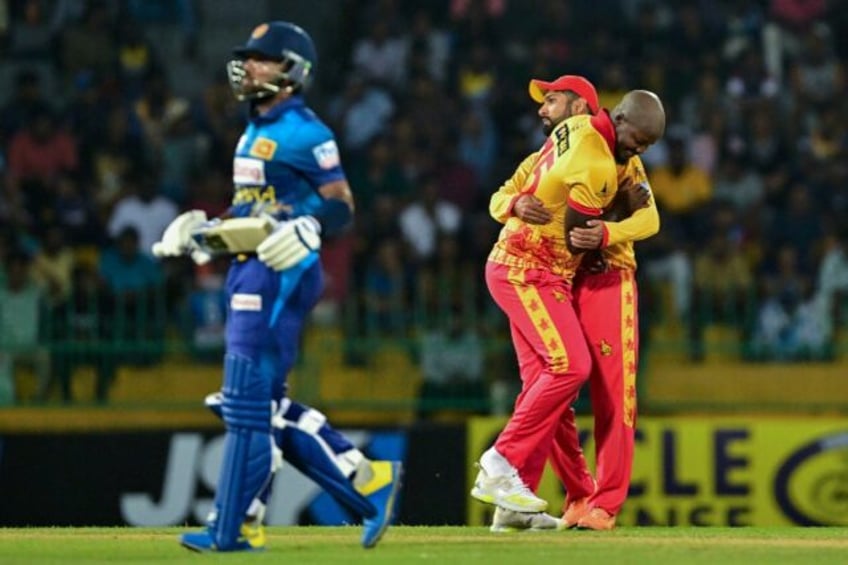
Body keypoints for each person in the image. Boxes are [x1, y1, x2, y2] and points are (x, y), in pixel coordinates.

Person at [152, 21, 402, 552]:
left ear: (292, 71)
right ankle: (365, 483)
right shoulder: (253, 127)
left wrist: (310, 225)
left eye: (264, 58)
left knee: (246, 404)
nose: (251, 66)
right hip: (250, 267)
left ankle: (232, 529)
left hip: (281, 274)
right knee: (257, 407)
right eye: (250, 57)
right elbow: (255, 210)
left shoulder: (307, 130)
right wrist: (204, 233)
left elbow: (340, 204)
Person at [471, 75, 665, 529]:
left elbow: (648, 217)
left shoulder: (616, 155)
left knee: (596, 388)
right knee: (563, 375)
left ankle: (595, 502)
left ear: (582, 107)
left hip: (600, 272)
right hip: (545, 272)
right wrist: (514, 205)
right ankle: (568, 490)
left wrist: (609, 231)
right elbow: (504, 197)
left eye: (551, 100)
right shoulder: (569, 146)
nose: (543, 109)